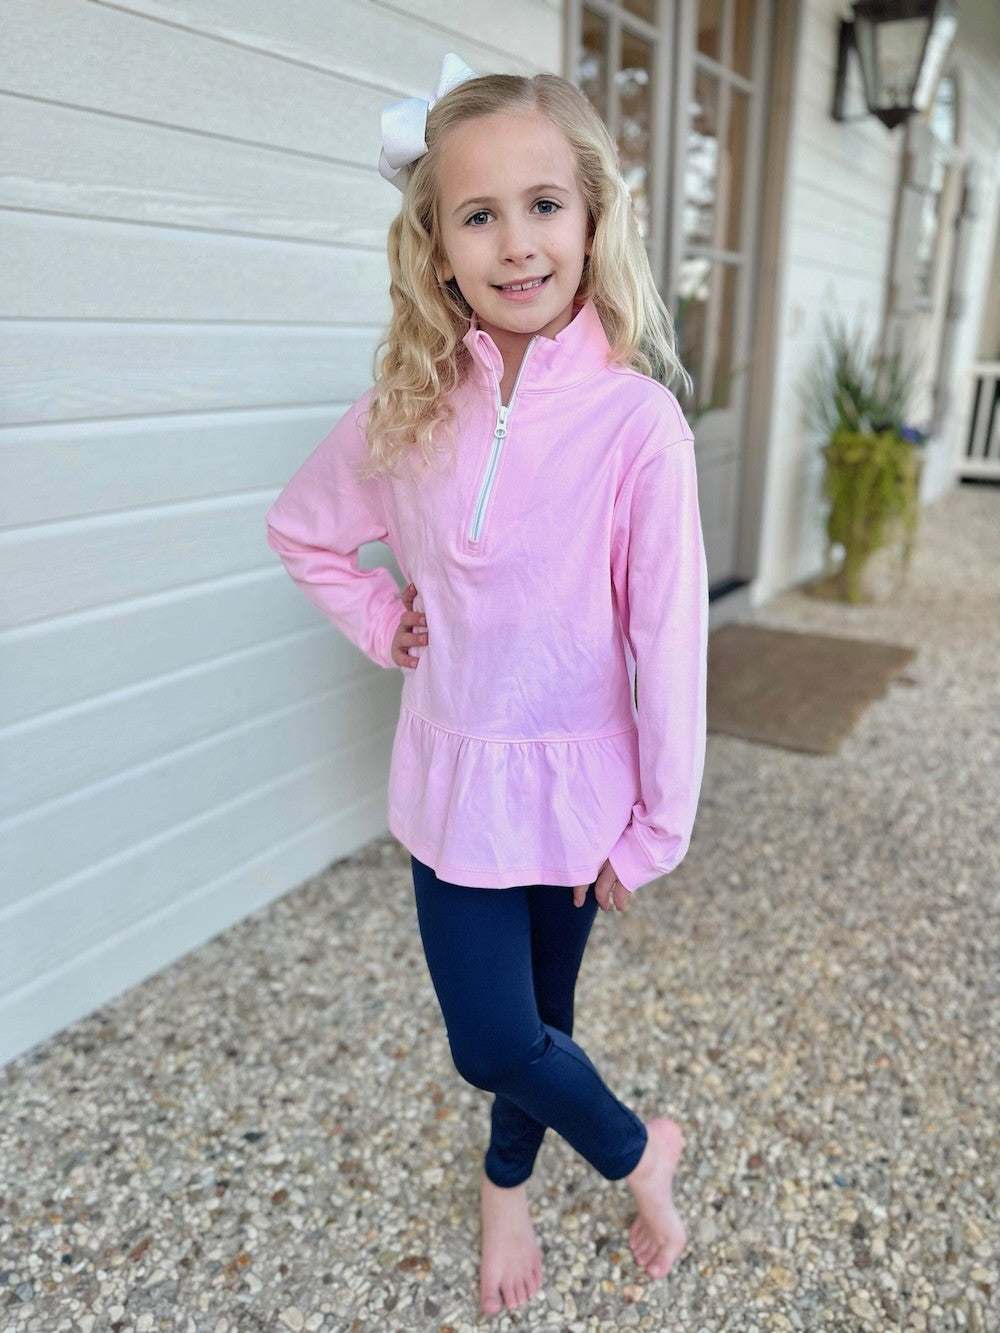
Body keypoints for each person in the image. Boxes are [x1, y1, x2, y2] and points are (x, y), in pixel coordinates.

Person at [265, 54, 708, 1318]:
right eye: (478, 214)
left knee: (545, 1014)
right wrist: (384, 618)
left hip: (580, 790)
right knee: (493, 1039)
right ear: (437, 247)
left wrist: (654, 825)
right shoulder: (406, 409)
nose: (516, 243)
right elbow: (303, 532)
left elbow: (670, 642)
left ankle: (505, 1179)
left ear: (591, 219)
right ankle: (637, 1153)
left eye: (543, 205)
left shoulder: (637, 426)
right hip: (455, 786)